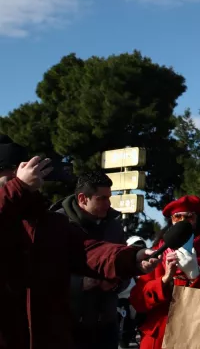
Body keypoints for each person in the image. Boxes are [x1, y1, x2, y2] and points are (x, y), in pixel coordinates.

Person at [0, 135, 159, 349]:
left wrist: (132, 257)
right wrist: (18, 188)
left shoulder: (48, 222)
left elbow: (88, 249)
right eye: (10, 177)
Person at [51, 171, 128, 348]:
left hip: (106, 326)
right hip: (68, 326)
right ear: (82, 198)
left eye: (109, 198)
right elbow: (44, 273)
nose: (108, 204)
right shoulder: (56, 224)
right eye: (101, 199)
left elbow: (125, 267)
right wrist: (79, 284)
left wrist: (116, 282)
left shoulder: (114, 226)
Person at [130, 195, 200, 349]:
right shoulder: (157, 253)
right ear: (171, 221)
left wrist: (195, 276)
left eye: (189, 216)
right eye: (177, 217)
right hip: (159, 338)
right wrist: (164, 280)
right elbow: (138, 301)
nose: (183, 221)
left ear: (197, 219)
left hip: (194, 335)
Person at [118, 236, 147, 349]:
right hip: (120, 306)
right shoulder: (120, 266)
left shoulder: (146, 269)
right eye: (134, 250)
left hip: (136, 309)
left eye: (140, 250)